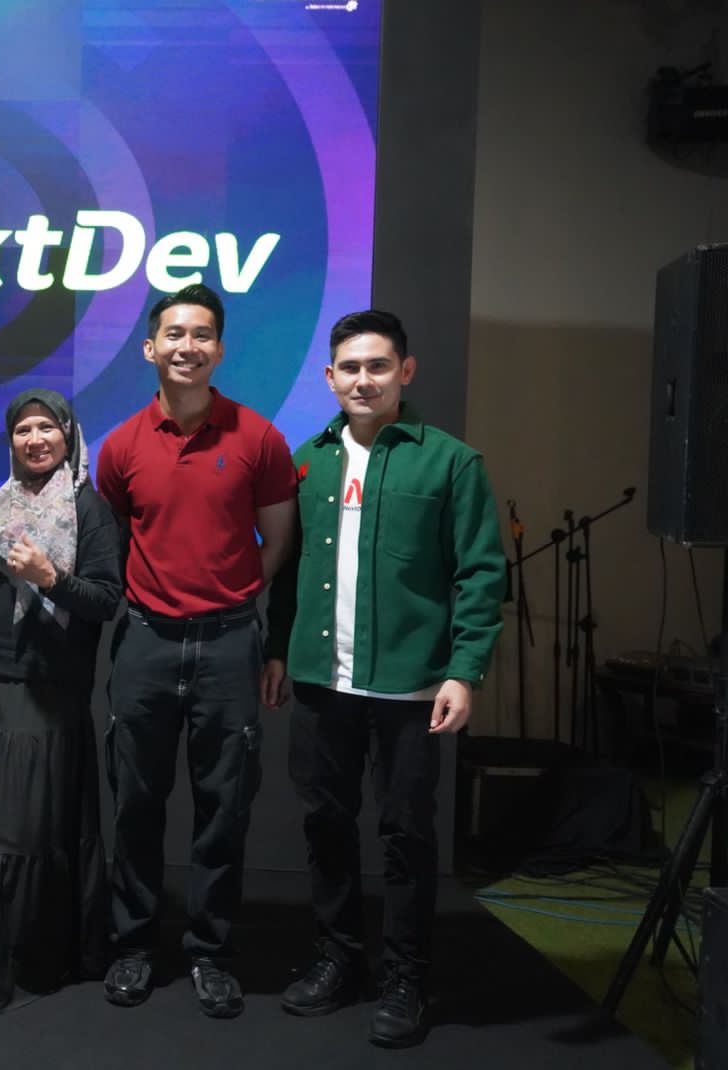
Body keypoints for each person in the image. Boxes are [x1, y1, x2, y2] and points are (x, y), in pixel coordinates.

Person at [264, 309, 505, 1048]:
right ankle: (339, 957)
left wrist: (464, 671)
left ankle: (406, 976)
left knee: (406, 836)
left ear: (406, 371)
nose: (362, 380)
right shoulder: (307, 461)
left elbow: (481, 573)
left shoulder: (452, 463)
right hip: (320, 683)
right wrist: (277, 650)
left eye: (377, 366)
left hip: (411, 688)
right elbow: (287, 571)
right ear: (329, 376)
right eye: (350, 368)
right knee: (325, 826)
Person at [94, 283, 297, 1016]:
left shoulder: (258, 438)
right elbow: (113, 544)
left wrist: (231, 599)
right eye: (175, 334)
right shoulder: (120, 445)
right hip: (146, 643)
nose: (188, 346)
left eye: (202, 334)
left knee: (223, 810)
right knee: (135, 807)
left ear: (219, 348)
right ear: (151, 348)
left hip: (229, 645)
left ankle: (211, 953)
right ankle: (133, 947)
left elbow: (278, 542)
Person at [0, 388, 118, 1014]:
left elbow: (106, 600)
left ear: (68, 435)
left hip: (50, 689)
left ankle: (35, 957)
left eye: (47, 428)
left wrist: (50, 578)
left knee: (31, 830)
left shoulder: (89, 509)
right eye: (23, 429)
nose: (35, 440)